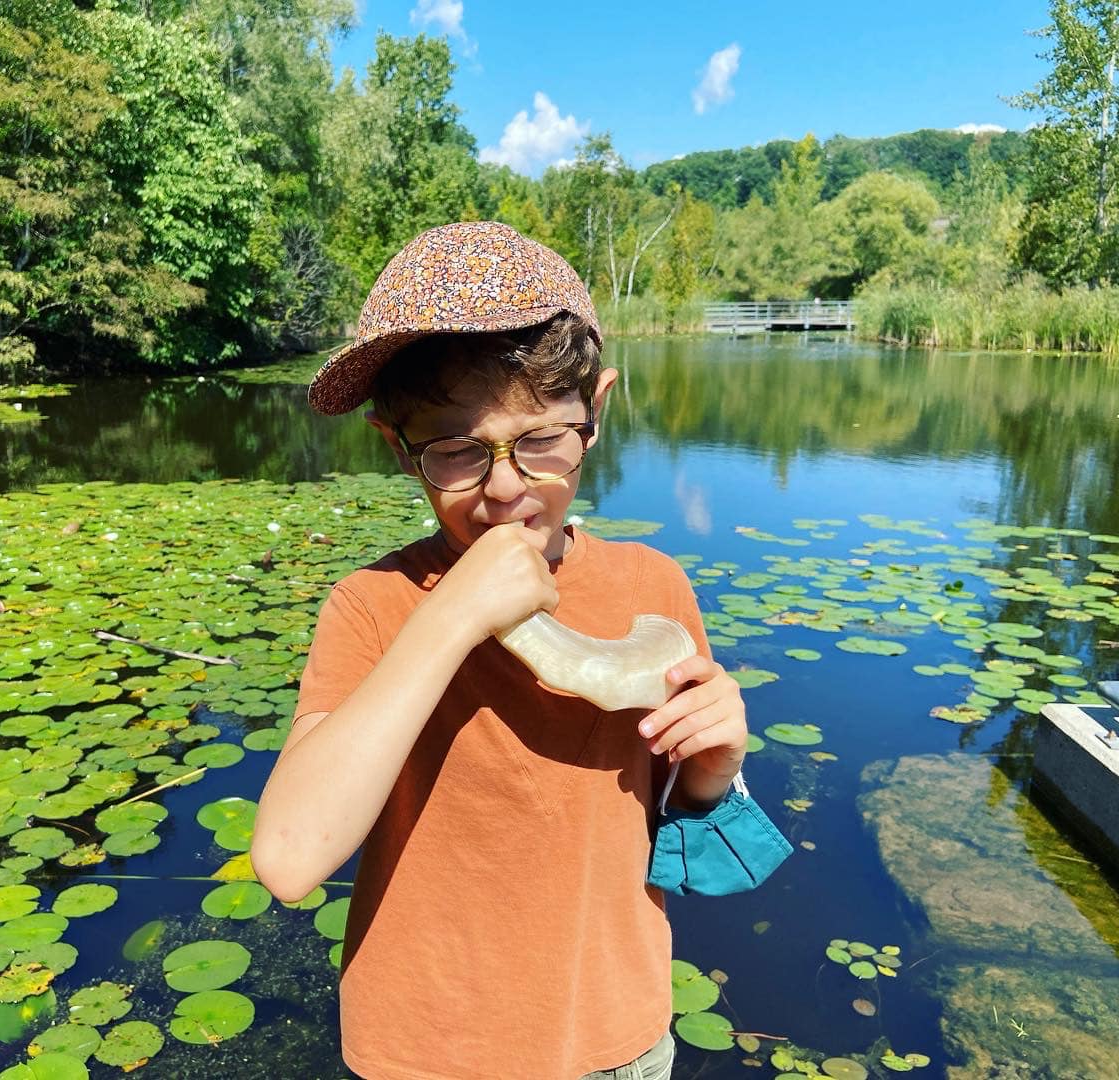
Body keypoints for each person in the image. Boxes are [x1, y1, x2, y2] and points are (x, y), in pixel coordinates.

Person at [250, 221, 748, 1080]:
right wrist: (450, 620)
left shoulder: (655, 590)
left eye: (544, 440)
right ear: (397, 449)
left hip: (618, 1037)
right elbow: (291, 859)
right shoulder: (373, 608)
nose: (507, 488)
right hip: (426, 1052)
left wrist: (713, 766)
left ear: (597, 413)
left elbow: (684, 831)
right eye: (456, 451)